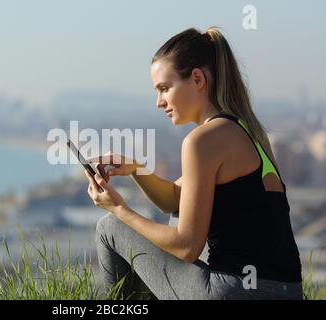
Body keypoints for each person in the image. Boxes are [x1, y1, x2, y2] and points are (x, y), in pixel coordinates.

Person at [83, 27, 303, 300]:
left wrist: (119, 209)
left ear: (197, 79)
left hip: (233, 292)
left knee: (109, 228)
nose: (158, 102)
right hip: (287, 293)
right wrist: (136, 169)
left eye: (164, 88)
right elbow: (174, 199)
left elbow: (187, 246)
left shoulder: (201, 141)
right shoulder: (247, 132)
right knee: (178, 212)